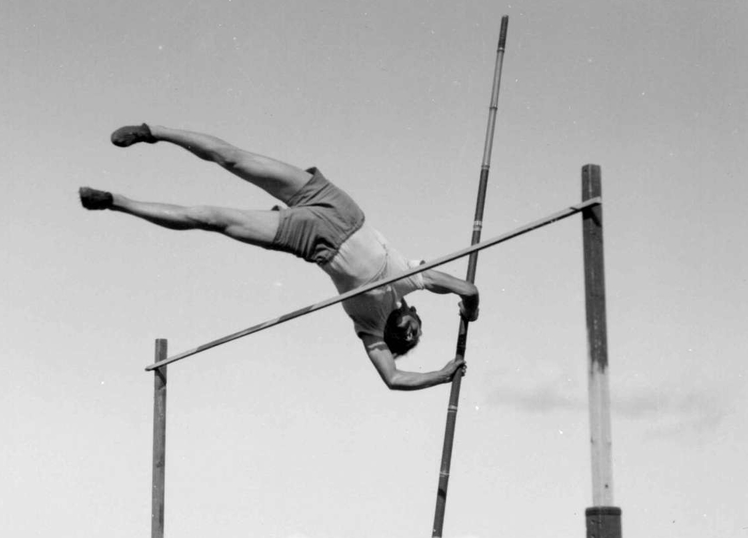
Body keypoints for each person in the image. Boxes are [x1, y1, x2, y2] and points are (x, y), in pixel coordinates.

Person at [80, 124, 479, 391]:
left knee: (211, 219)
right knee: (234, 159)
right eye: (417, 328)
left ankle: (117, 203)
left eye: (407, 338)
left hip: (311, 241)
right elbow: (466, 287)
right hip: (335, 205)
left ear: (392, 340)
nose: (410, 331)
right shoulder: (409, 279)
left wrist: (441, 375)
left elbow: (393, 379)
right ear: (413, 310)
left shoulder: (369, 329)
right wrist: (470, 303)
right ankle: (154, 132)